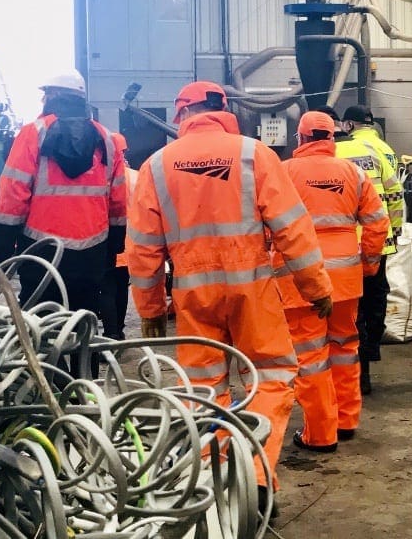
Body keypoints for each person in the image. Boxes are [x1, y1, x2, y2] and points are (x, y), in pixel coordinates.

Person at [125, 81, 333, 516]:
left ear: (182, 114)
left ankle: (217, 484)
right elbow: (292, 228)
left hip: (191, 295)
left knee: (202, 389)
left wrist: (149, 308)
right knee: (272, 376)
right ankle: (255, 477)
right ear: (224, 109)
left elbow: (143, 247)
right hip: (253, 289)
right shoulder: (253, 153)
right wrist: (316, 287)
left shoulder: (156, 166)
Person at [0, 70, 127, 378]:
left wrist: (3, 243)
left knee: (41, 323)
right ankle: (85, 390)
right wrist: (114, 244)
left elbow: (14, 190)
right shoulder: (105, 139)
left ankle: (49, 393)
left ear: (52, 96)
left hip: (41, 249)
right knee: (83, 322)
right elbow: (119, 196)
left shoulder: (33, 133)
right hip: (93, 248)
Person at [276, 111, 389, 451]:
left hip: (301, 278)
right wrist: (368, 265)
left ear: (300, 139)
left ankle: (320, 434)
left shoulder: (284, 173)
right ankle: (346, 420)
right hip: (346, 277)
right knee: (345, 348)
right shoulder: (353, 173)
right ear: (331, 137)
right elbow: (377, 222)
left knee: (311, 355)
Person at [320, 105, 404, 395]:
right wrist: (396, 228)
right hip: (376, 242)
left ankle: (337, 371)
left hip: (334, 251)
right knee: (371, 303)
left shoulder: (319, 161)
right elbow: (394, 194)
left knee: (341, 313)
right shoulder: (377, 150)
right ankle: (365, 362)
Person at [99, 133, 136, 340]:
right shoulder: (137, 176)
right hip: (131, 244)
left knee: (107, 289)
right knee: (122, 288)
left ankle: (110, 333)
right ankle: (119, 331)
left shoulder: (101, 175)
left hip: (107, 241)